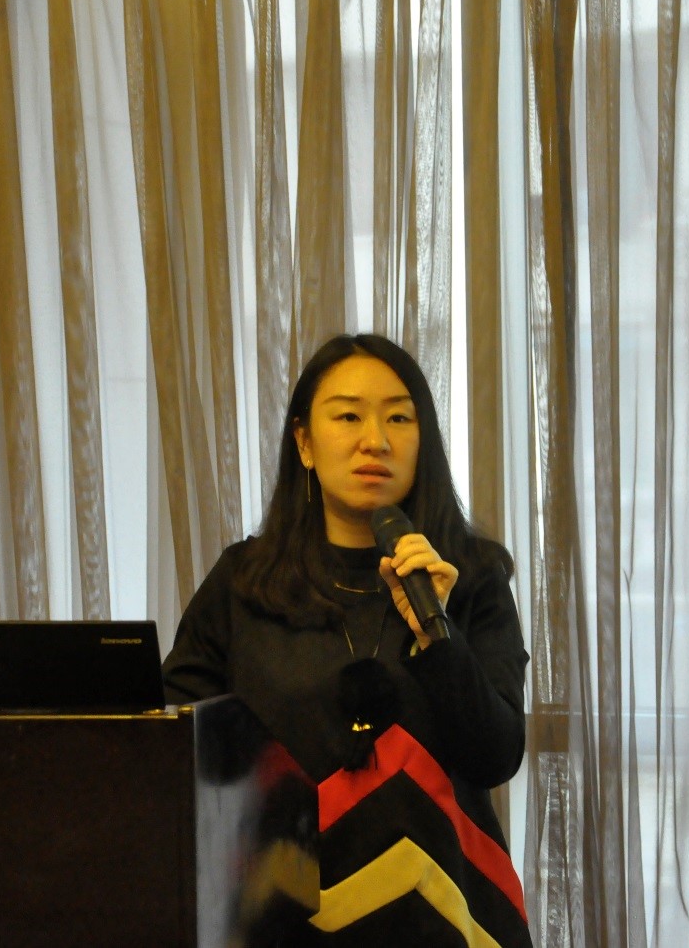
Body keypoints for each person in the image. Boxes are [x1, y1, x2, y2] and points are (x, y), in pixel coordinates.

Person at [164, 333, 532, 947]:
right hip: (280, 916)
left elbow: (495, 756)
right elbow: (178, 740)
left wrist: (438, 635)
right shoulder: (243, 582)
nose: (375, 440)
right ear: (304, 442)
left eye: (399, 418)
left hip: (441, 919)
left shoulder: (469, 577)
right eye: (348, 416)